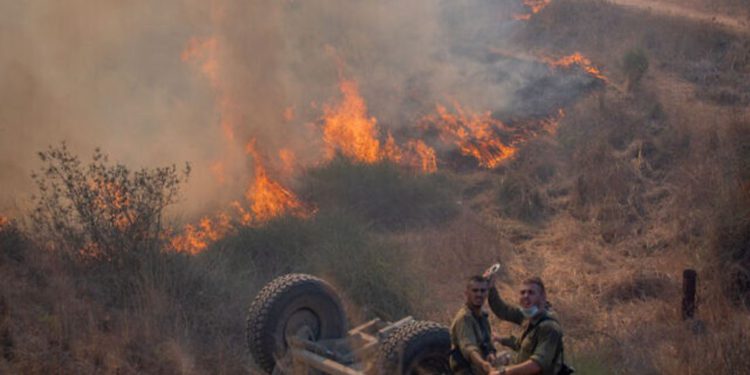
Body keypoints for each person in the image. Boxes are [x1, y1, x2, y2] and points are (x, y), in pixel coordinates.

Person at [485, 274, 564, 375]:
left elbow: (536, 365)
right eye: (523, 293)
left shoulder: (549, 327)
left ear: (543, 296)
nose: (526, 296)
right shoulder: (529, 316)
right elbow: (503, 310)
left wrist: (503, 372)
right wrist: (491, 288)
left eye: (531, 293)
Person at [449, 275, 500, 375]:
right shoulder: (465, 317)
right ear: (467, 293)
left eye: (482, 291)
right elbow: (469, 348)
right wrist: (483, 364)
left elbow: (488, 344)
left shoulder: (483, 317)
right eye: (475, 291)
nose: (479, 294)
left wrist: (491, 354)